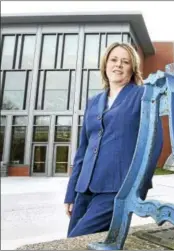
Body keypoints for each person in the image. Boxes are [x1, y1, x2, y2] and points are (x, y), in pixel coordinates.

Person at [64, 42, 163, 238]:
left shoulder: (142, 95)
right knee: (77, 240)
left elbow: (155, 142)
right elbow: (83, 150)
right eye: (114, 60)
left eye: (125, 61)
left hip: (118, 188)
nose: (118, 65)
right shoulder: (93, 102)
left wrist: (137, 187)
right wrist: (71, 193)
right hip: (84, 188)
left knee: (78, 240)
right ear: (105, 64)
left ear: (132, 68)